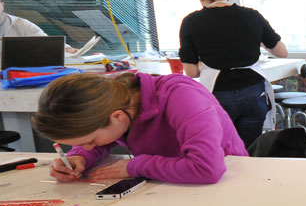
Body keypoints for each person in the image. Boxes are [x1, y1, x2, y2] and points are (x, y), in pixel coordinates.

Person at [32, 71, 246, 185]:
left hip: (233, 181)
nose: (89, 147)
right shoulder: (119, 102)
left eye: (92, 141)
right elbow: (108, 133)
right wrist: (79, 157)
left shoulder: (182, 97)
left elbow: (207, 169)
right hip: (174, 184)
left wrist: (135, 166)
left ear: (117, 116)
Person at [177, 0, 288, 147]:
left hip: (218, 95)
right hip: (253, 92)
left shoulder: (191, 22)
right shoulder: (252, 16)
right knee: (249, 150)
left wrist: (203, 62)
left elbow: (191, 73)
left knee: (223, 152)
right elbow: (282, 52)